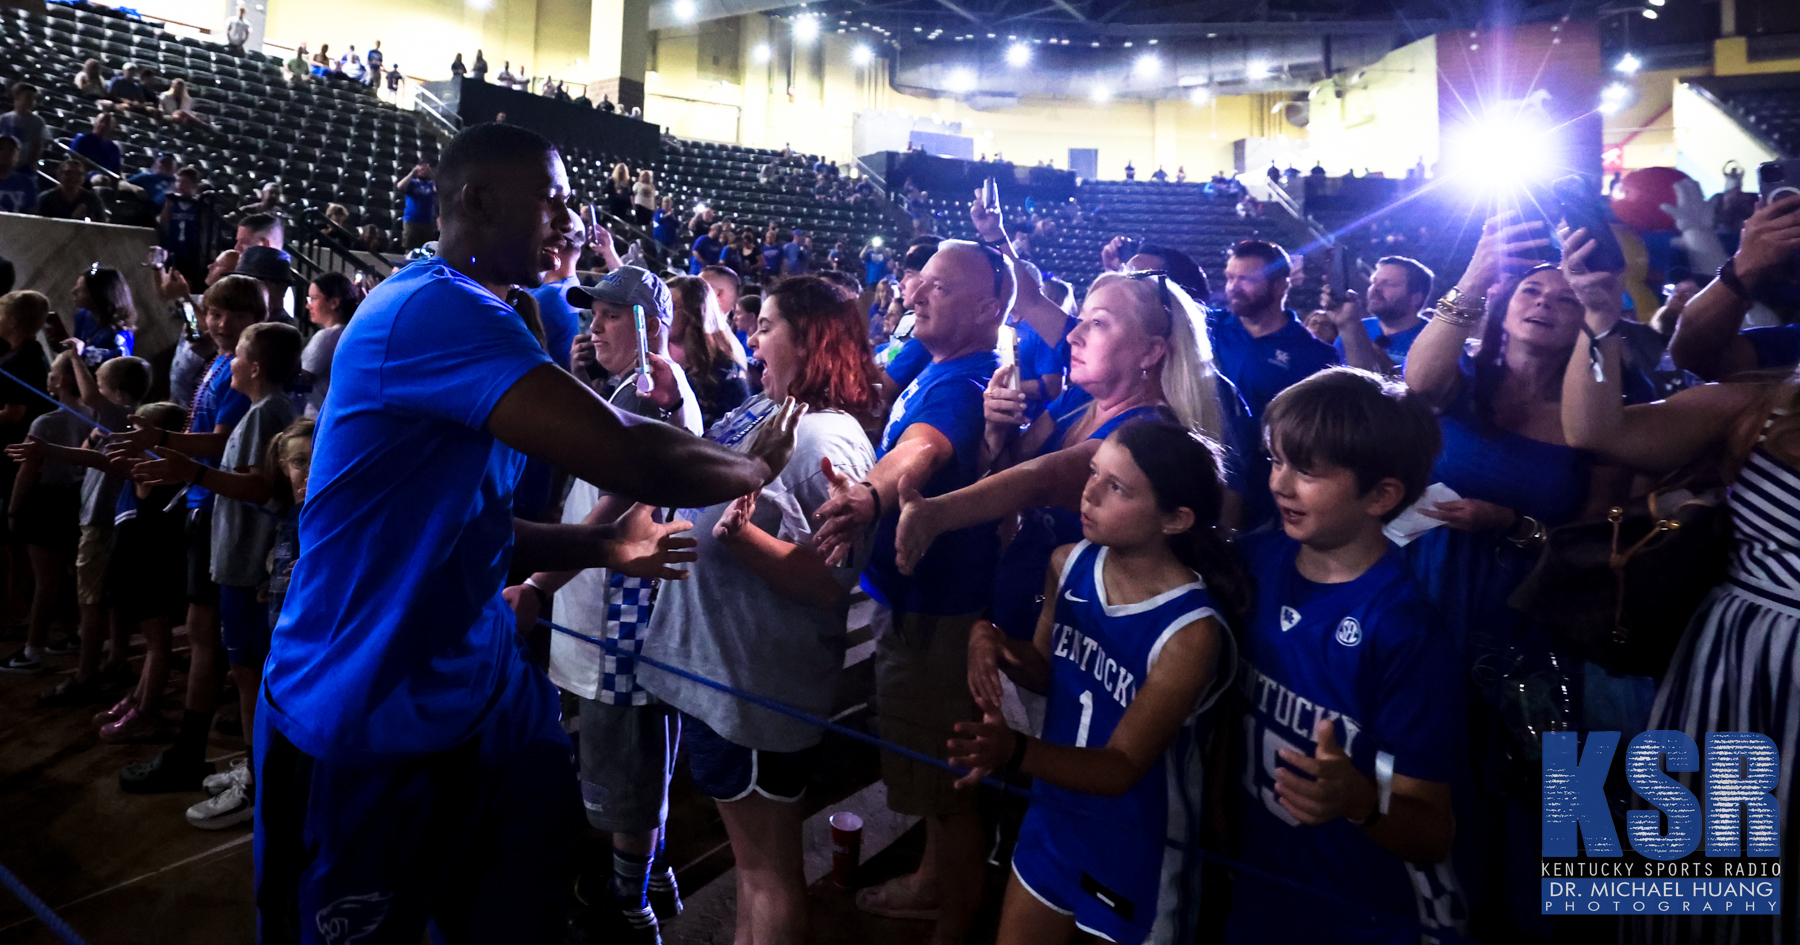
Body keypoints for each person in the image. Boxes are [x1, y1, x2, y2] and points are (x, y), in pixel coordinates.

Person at [248, 122, 804, 943]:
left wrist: (601, 547)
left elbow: (470, 526)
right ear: (477, 199)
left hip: (473, 693)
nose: (571, 221)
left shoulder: (491, 312)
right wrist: (749, 467)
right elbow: (628, 451)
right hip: (361, 707)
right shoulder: (433, 308)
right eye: (551, 201)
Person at [1559, 226, 1800, 944]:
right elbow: (1596, 429)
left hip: (1748, 654)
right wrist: (1599, 320)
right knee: (1708, 884)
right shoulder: (1765, 401)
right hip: (1741, 666)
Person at [625, 276, 883, 945]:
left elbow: (827, 582)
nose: (752, 339)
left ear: (811, 340)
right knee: (753, 869)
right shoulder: (773, 413)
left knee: (768, 872)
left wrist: (740, 536)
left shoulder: (827, 439)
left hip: (757, 691)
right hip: (724, 677)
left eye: (766, 326)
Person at [947, 420, 1241, 945]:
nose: (1088, 493)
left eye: (1117, 488)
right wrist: (989, 637)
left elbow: (1123, 767)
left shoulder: (1190, 630)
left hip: (1137, 848)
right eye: (1093, 473)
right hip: (1054, 822)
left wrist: (1013, 750)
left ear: (1176, 519)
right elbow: (1046, 669)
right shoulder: (1069, 563)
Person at [812, 240, 1009, 945]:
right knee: (931, 776)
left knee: (949, 782)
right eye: (918, 282)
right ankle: (933, 883)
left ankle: (951, 925)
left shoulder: (967, 379)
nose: (917, 294)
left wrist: (869, 493)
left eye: (940, 288)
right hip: (919, 602)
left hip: (942, 615)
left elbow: (922, 448)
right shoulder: (938, 360)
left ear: (989, 307)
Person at [1225, 367, 1464, 945]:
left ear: (1381, 495)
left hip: (1363, 913)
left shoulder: (1405, 628)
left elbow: (1433, 830)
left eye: (1306, 471)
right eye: (1276, 461)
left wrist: (1360, 800)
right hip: (1255, 890)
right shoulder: (1256, 559)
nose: (1280, 485)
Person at [516, 266, 702, 942]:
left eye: (612, 316)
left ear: (652, 324)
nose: (594, 328)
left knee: (626, 771)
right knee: (637, 764)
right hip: (612, 622)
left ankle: (628, 909)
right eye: (593, 314)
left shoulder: (658, 395)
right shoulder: (636, 387)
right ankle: (648, 880)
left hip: (620, 627)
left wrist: (538, 584)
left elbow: (608, 516)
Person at [128, 322, 303, 828]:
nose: (230, 364)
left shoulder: (268, 412)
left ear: (256, 365)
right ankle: (253, 768)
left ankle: (257, 781)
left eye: (238, 356)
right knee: (244, 669)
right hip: (235, 561)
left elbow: (257, 487)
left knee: (250, 673)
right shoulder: (257, 411)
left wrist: (192, 472)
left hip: (249, 565)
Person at [100, 275, 265, 768]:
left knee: (208, 631)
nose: (217, 323)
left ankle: (194, 745)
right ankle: (186, 732)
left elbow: (221, 443)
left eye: (229, 315)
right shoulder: (222, 363)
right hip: (201, 501)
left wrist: (164, 442)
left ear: (252, 319)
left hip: (219, 507)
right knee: (202, 628)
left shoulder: (243, 375)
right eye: (212, 313)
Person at [10, 355, 149, 697]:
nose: (93, 393)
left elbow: (90, 406)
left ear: (116, 392)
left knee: (90, 600)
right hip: (109, 517)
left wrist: (72, 354)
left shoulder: (121, 414)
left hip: (101, 520)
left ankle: (86, 675)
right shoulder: (119, 421)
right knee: (113, 598)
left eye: (100, 384)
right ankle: (116, 660)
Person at [86, 401, 188, 742]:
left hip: (157, 570)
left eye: (138, 431)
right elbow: (99, 459)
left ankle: (147, 713)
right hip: (145, 569)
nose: (130, 437)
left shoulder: (166, 473)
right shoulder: (143, 468)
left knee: (159, 645)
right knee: (152, 644)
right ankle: (136, 699)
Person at [0, 352, 89, 674]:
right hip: (77, 500)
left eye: (52, 372)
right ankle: (74, 632)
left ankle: (32, 650)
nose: (48, 377)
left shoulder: (46, 422)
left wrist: (13, 509)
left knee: (45, 581)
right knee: (72, 574)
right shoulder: (93, 414)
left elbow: (29, 468)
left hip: (46, 502)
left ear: (62, 380)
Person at [1665, 195, 1800, 380]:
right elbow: (1696, 359)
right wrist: (1745, 265)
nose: (1678, 297)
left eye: (1689, 292)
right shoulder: (1792, 343)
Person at [1209, 240, 1339, 418]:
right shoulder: (1208, 325)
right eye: (1230, 277)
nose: (1233, 287)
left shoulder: (1315, 355)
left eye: (1247, 279)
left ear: (1280, 286)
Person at [1324, 255, 1433, 376]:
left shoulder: (1432, 338)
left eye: (1388, 284)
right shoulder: (1356, 326)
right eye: (1374, 282)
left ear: (1416, 298)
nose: (1375, 289)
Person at [667, 275, 750, 427]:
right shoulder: (654, 360)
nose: (662, 314)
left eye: (670, 307)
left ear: (694, 313)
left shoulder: (726, 375)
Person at [301, 272, 358, 417]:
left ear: (334, 302)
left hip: (317, 416)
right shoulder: (351, 333)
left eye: (313, 299)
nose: (308, 305)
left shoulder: (326, 337)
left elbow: (302, 379)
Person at [69, 266, 137, 367]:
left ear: (97, 294)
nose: (73, 292)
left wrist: (79, 354)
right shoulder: (83, 315)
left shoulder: (120, 336)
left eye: (81, 290)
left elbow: (120, 367)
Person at [0, 83, 48, 171]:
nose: (31, 102)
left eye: (34, 99)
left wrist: (30, 165)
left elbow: (37, 146)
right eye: (28, 97)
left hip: (23, 165)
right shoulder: (4, 118)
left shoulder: (37, 121)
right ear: (17, 97)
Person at [396, 161, 437, 250]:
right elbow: (400, 186)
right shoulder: (412, 183)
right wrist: (412, 173)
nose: (423, 171)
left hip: (427, 222)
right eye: (421, 169)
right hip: (411, 221)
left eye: (424, 169)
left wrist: (431, 173)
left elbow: (439, 187)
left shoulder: (430, 185)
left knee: (427, 250)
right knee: (410, 249)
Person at [70, 112, 122, 177]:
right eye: (101, 121)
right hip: (85, 176)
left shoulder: (113, 148)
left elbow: (116, 169)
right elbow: (74, 161)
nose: (104, 125)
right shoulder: (82, 139)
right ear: (95, 123)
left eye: (107, 123)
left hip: (109, 177)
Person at [0, 137, 37, 214]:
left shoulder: (27, 183)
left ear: (18, 157)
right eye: (1, 149)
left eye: (11, 150)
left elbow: (32, 214)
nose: (5, 153)